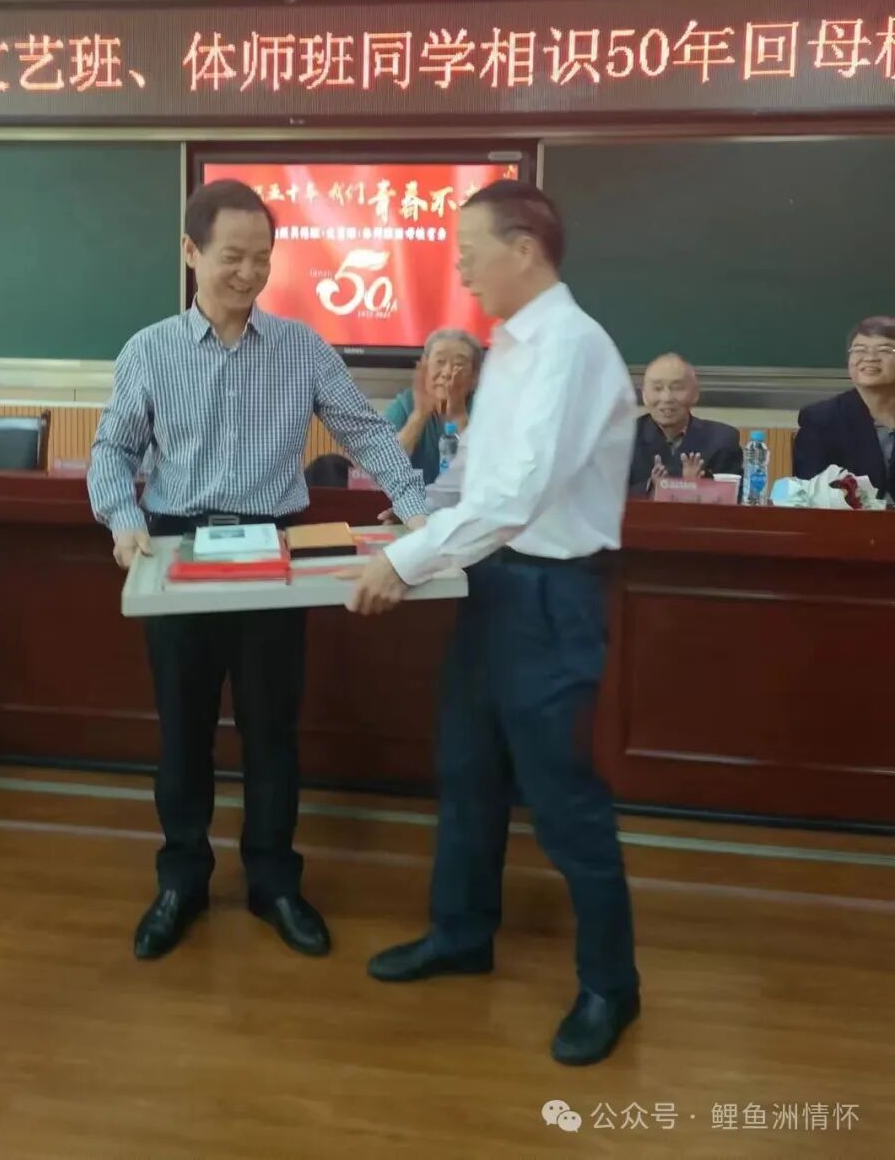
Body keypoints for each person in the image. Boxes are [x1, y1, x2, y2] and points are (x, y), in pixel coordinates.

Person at [88, 178, 426, 963]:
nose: (248, 273)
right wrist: (123, 518)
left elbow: (364, 429)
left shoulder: (301, 348)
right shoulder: (150, 350)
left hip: (275, 552)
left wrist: (415, 506)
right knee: (184, 731)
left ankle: (274, 881)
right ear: (191, 251)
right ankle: (182, 879)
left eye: (262, 258)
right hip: (180, 548)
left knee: (272, 730)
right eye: (232, 256)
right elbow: (112, 449)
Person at [347, 179, 640, 1067]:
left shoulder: (572, 347)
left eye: (470, 251)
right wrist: (403, 527)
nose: (461, 269)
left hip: (550, 594)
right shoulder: (506, 348)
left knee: (562, 796)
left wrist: (406, 561)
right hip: (488, 583)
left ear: (524, 248)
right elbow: (474, 477)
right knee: (467, 770)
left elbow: (517, 496)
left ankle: (610, 985)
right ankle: (461, 931)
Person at [794, 316, 895, 499]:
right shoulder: (822, 420)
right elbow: (812, 494)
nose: (870, 358)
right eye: (859, 350)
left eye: (884, 350)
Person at [629, 353, 743, 495]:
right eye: (657, 388)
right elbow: (610, 495)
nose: (667, 398)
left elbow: (735, 499)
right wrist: (650, 488)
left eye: (677, 388)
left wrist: (697, 486)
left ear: (695, 394)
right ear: (644, 395)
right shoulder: (626, 437)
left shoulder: (721, 441)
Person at [384, 328, 482, 482]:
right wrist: (419, 415)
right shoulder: (406, 403)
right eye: (440, 362)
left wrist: (459, 417)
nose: (447, 372)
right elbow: (382, 465)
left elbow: (489, 475)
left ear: (474, 375)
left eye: (459, 364)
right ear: (425, 366)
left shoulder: (486, 406)